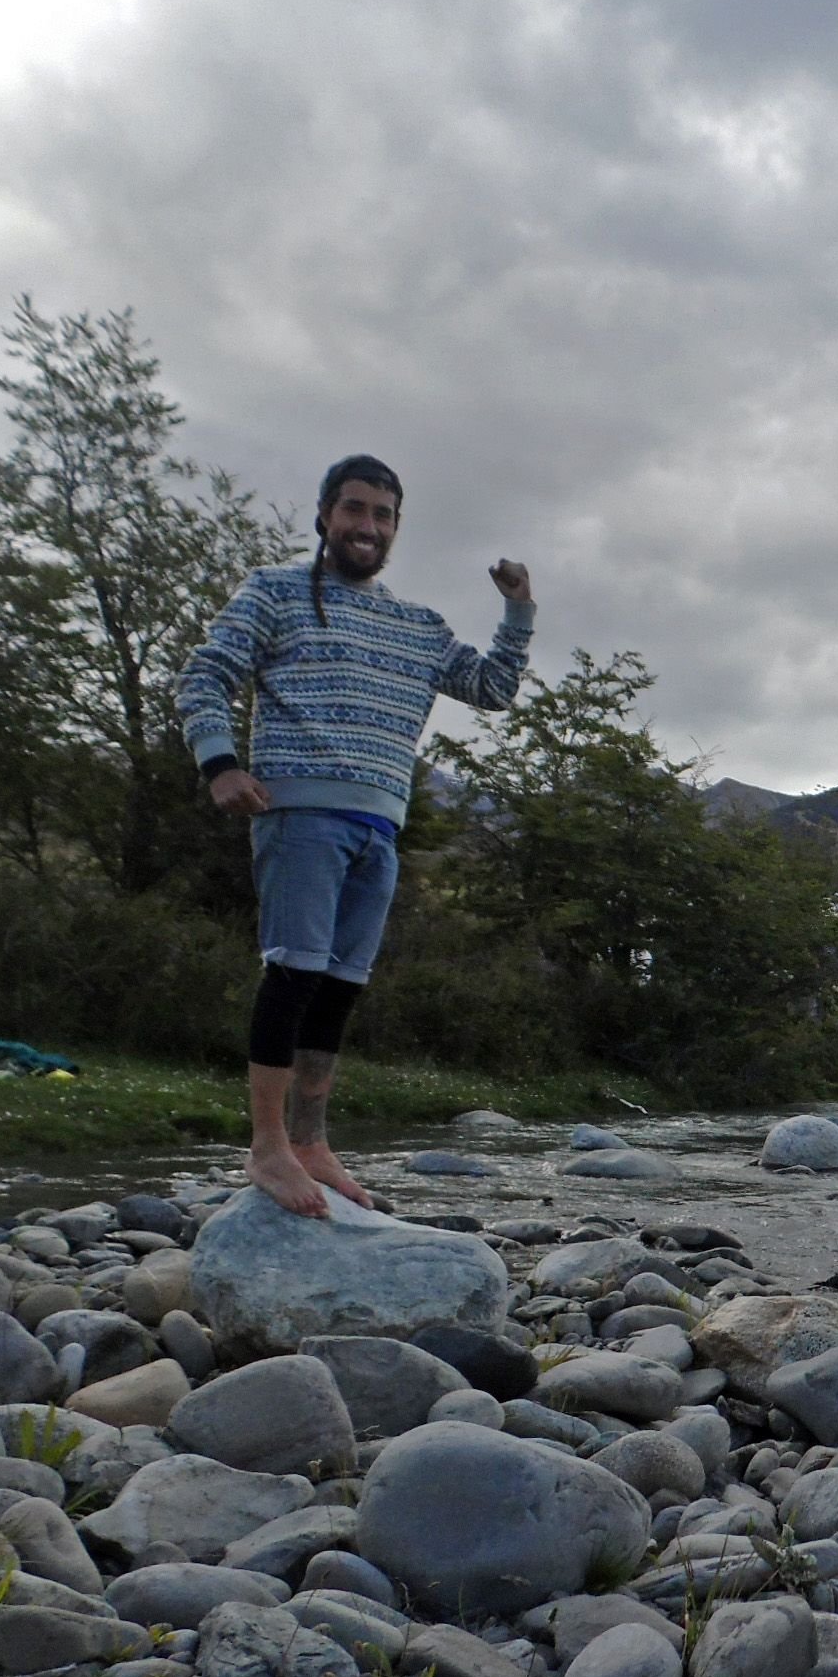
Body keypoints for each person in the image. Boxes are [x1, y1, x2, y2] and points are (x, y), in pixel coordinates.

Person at [178, 453, 536, 1218]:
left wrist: (518, 611)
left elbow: (494, 689)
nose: (366, 526)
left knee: (340, 988)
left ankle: (310, 1140)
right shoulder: (274, 592)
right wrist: (219, 765)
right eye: (354, 509)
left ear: (396, 529)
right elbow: (205, 674)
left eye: (382, 514)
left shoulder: (417, 626)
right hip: (300, 811)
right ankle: (269, 1147)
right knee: (294, 973)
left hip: (381, 822)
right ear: (324, 516)